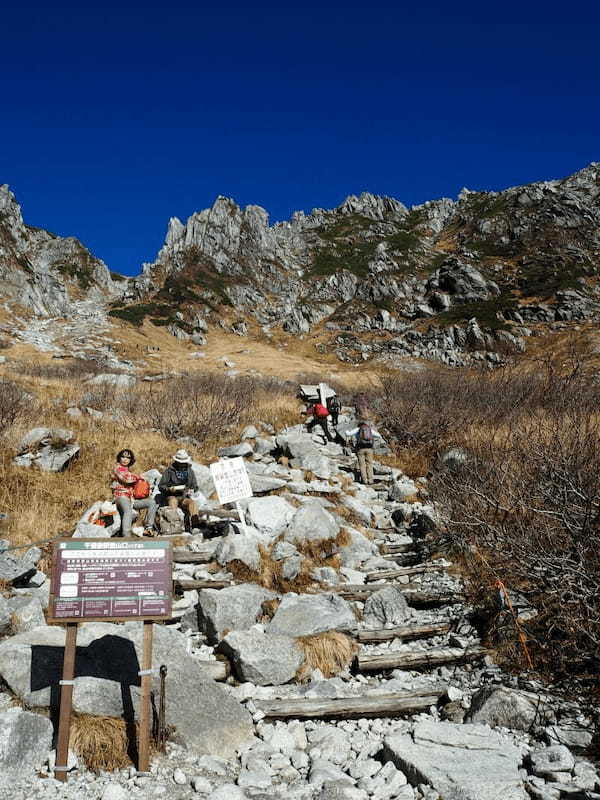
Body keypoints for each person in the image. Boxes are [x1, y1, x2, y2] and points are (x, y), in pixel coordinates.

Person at [111, 449, 157, 536]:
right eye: (123, 456)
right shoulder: (117, 468)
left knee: (151, 502)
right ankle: (126, 536)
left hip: (131, 499)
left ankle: (149, 528)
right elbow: (127, 478)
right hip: (121, 497)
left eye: (128, 458)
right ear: (119, 458)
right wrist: (139, 477)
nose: (125, 459)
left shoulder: (128, 471)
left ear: (131, 460)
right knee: (128, 511)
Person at [158, 449, 200, 530]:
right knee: (173, 501)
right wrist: (169, 489)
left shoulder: (190, 471)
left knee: (192, 503)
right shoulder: (169, 471)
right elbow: (161, 486)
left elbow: (195, 486)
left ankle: (195, 526)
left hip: (184, 496)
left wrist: (191, 490)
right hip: (171, 496)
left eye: (184, 462)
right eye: (181, 462)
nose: (182, 464)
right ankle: (174, 526)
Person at [345, 419, 383, 485]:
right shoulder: (370, 429)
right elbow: (378, 435)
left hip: (361, 449)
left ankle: (364, 480)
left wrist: (346, 430)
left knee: (362, 465)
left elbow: (348, 434)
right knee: (369, 464)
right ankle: (370, 480)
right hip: (369, 449)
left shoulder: (358, 429)